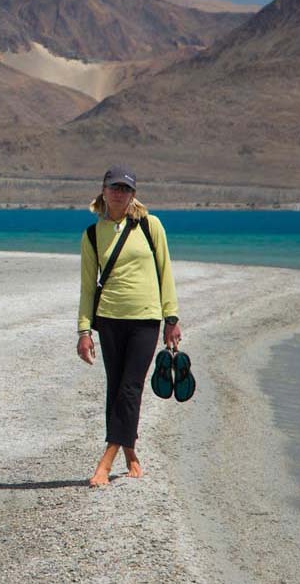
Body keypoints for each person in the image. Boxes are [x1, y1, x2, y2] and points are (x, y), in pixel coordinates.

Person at [76, 165, 181, 487]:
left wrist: (171, 319)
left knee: (131, 388)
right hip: (108, 319)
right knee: (116, 388)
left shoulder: (151, 226)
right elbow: (87, 287)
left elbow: (166, 271)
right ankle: (130, 453)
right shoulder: (93, 234)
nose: (120, 193)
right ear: (103, 191)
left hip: (145, 319)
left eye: (126, 189)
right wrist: (83, 330)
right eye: (114, 187)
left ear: (133, 194)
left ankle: (104, 463)